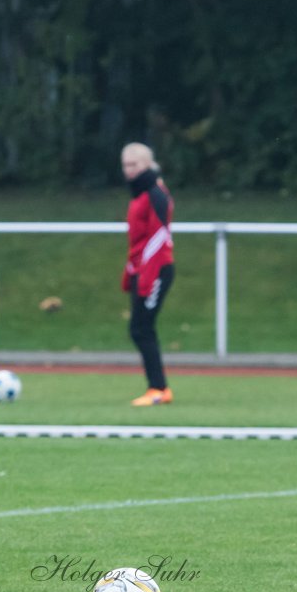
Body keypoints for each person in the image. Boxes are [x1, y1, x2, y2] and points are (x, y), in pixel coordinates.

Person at [120, 142, 176, 406]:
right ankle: (158, 387)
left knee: (141, 328)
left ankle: (158, 389)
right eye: (125, 165)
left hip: (155, 271)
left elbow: (158, 238)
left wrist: (146, 277)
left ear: (147, 164)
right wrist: (130, 270)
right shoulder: (140, 194)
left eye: (134, 165)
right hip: (142, 270)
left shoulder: (155, 193)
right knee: (140, 328)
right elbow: (138, 241)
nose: (129, 170)